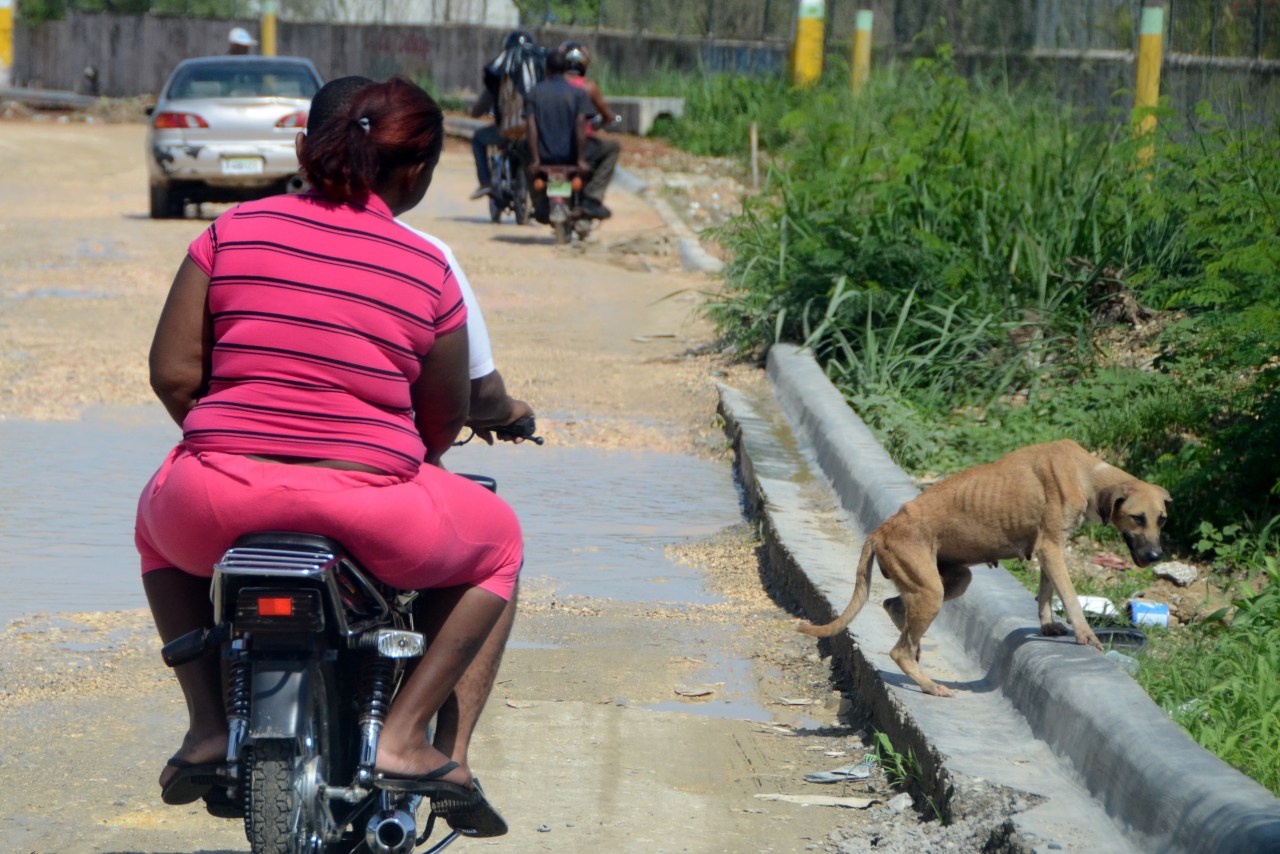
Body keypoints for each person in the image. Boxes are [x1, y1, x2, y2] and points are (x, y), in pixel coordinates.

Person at [136, 75, 517, 838]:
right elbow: (440, 417)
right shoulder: (427, 266)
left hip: (215, 502)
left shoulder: (229, 233)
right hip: (370, 506)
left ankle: (209, 728)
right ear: (415, 172)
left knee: (154, 525)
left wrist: (229, 442)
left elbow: (173, 374)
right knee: (498, 542)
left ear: (307, 149)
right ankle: (415, 739)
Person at [467, 30, 544, 201]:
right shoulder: (541, 79)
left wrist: (473, 112)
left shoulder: (499, 78)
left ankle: (485, 182)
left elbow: (479, 108)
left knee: (478, 138)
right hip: (535, 135)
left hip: (506, 132)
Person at [523, 48, 593, 224]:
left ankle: (538, 199)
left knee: (517, 150)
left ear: (546, 69)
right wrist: (582, 159)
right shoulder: (578, 94)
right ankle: (591, 201)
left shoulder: (534, 93)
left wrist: (535, 159)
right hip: (571, 157)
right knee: (610, 150)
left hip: (544, 157)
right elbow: (580, 126)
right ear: (566, 70)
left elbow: (531, 126)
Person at [558, 41, 620, 220]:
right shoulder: (589, 87)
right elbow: (606, 113)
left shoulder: (553, 85)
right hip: (582, 144)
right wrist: (613, 119)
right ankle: (592, 198)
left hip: (554, 143)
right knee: (612, 148)